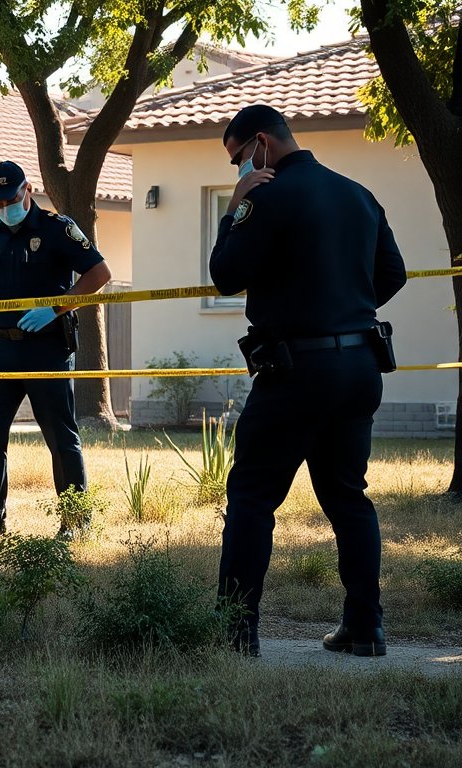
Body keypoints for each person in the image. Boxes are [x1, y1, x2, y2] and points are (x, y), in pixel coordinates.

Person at [209, 105, 407, 658]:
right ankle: (366, 628)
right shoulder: (358, 194)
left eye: (238, 159)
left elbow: (224, 275)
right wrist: (341, 311)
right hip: (360, 366)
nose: (239, 170)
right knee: (348, 497)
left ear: (262, 146)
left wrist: (235, 206)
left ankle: (235, 633)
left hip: (295, 370)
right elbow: (392, 274)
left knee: (251, 498)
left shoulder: (264, 198)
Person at [0, 161, 112, 539]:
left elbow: (99, 275)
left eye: (11, 199)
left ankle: (75, 522)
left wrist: (56, 307)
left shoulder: (58, 229)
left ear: (28, 190)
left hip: (47, 349)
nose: (5, 208)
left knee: (60, 437)